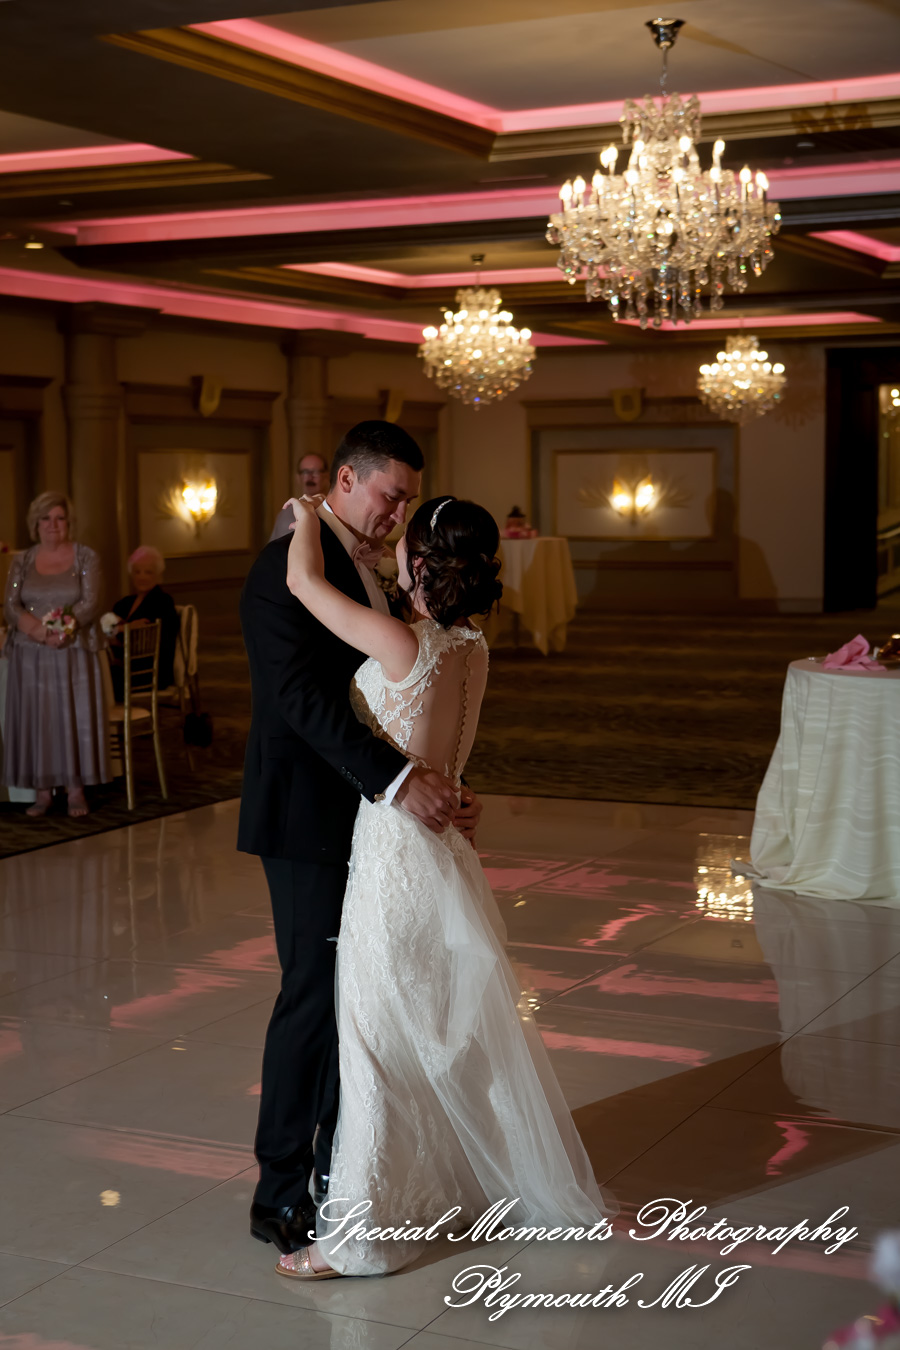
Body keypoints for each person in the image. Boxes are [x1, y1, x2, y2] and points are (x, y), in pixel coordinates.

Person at [273, 492, 609, 1280]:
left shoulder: (401, 642)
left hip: (394, 855)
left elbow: (302, 585)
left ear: (420, 562)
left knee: (375, 1044)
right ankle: (448, 1186)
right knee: (440, 1035)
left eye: (405, 540)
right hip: (447, 851)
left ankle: (358, 1238)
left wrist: (307, 516)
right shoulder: (473, 648)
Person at [239, 421, 479, 1256]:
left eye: (408, 501)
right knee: (311, 998)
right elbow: (301, 701)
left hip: (370, 817)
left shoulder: (370, 573)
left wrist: (436, 781)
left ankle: (343, 1171)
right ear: (345, 480)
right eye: (391, 495)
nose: (399, 513)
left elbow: (397, 699)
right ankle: (278, 1193)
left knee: (362, 1000)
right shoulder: (284, 567)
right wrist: (401, 780)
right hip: (306, 813)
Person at [1, 491, 110, 818]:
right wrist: (38, 630)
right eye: (46, 518)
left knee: (70, 719)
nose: (53, 524)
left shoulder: (86, 557)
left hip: (72, 650)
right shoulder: (22, 561)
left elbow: (91, 601)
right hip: (30, 654)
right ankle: (42, 792)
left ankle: (76, 791)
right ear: (35, 524)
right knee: (38, 720)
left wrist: (63, 629)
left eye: (60, 518)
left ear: (68, 522)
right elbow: (11, 605)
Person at [109, 545, 180, 700]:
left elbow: (157, 641)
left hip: (150, 672)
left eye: (148, 572)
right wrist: (125, 629)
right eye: (137, 572)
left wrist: (118, 632)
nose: (142, 577)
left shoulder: (163, 602)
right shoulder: (124, 604)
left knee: (100, 676)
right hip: (123, 667)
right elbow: (103, 629)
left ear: (158, 575)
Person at [269, 453, 330, 541]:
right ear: (298, 478)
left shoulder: (335, 511)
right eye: (305, 472)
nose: (310, 477)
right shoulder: (286, 514)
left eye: (316, 472)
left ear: (326, 476)